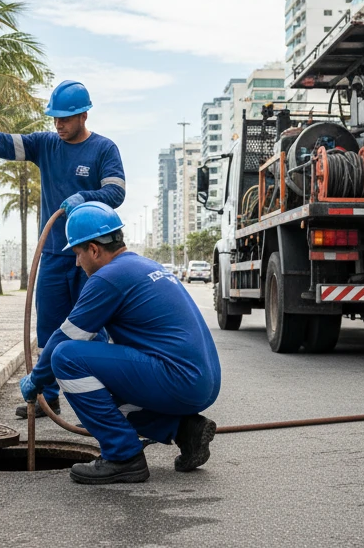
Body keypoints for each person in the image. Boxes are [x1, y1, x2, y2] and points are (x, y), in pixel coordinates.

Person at [0, 80, 127, 419]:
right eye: (55, 119)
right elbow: (3, 143)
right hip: (51, 254)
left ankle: (104, 401)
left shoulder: (104, 149)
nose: (58, 125)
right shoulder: (45, 145)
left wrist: (85, 197)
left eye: (65, 119)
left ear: (83, 115)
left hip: (93, 259)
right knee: (48, 330)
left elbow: (116, 192)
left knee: (93, 329)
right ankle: (48, 399)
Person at [19, 202, 220, 484]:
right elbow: (96, 339)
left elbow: (66, 339)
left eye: (77, 253)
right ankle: (185, 430)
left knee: (65, 357)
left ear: (94, 249)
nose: (77, 263)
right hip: (202, 382)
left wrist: (36, 381)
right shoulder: (143, 265)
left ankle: (123, 456)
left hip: (180, 380)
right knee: (103, 401)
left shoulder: (107, 278)